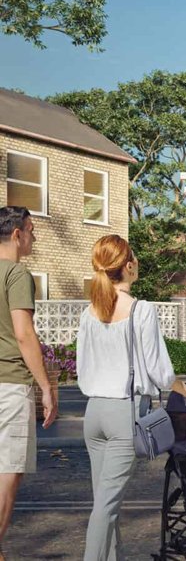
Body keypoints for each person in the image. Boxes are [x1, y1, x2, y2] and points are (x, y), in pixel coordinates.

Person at [75, 234, 186, 561]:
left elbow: (81, 368)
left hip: (94, 413)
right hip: (125, 414)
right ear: (129, 266)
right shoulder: (140, 311)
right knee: (106, 507)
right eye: (134, 258)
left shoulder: (89, 313)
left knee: (105, 504)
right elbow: (161, 373)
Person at [0, 207, 56, 561]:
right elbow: (23, 334)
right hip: (9, 385)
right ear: (17, 234)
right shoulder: (17, 274)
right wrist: (45, 387)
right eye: (32, 230)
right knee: (8, 470)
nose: (35, 237)